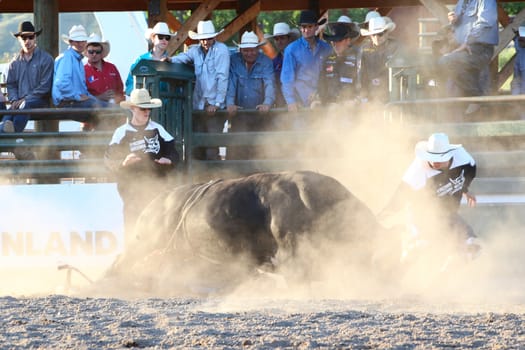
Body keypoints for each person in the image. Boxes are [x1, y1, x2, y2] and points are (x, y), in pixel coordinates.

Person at [381, 133, 480, 258]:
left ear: (449, 155)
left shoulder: (464, 160)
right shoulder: (416, 172)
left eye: (440, 157)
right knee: (422, 248)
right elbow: (400, 196)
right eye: (432, 157)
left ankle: (446, 273)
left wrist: (464, 189)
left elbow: (469, 173)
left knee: (471, 244)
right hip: (422, 215)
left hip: (448, 213)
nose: (435, 161)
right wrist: (384, 215)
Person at [104, 88, 179, 242]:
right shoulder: (121, 132)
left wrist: (169, 160)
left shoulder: (158, 129)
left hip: (158, 186)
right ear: (133, 109)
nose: (147, 112)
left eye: (148, 109)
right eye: (142, 108)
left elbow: (174, 153)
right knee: (133, 224)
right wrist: (123, 162)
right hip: (131, 188)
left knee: (158, 224)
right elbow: (109, 160)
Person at [169, 20, 230, 160]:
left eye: (209, 38)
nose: (206, 41)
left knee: (211, 147)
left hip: (214, 106)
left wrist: (217, 103)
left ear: (214, 37)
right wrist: (170, 60)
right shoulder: (195, 51)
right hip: (199, 105)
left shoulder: (221, 50)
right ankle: (200, 179)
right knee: (196, 146)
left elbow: (223, 77)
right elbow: (183, 58)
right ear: (199, 39)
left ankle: (213, 178)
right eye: (203, 38)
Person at [437, 0, 498, 115]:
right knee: (447, 64)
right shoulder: (462, 2)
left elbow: (485, 22)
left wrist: (467, 42)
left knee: (446, 61)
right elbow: (457, 26)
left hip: (479, 48)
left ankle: (477, 99)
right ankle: (478, 100)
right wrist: (453, 21)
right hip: (465, 49)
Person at [226, 31, 275, 159]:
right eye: (245, 50)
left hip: (260, 116)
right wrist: (230, 103)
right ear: (240, 50)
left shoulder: (266, 62)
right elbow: (231, 82)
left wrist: (267, 103)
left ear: (258, 49)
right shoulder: (234, 60)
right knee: (236, 150)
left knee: (259, 151)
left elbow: (269, 84)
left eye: (252, 50)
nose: (249, 53)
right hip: (239, 115)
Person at [1, 21, 53, 134]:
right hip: (19, 103)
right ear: (19, 39)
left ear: (35, 38)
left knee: (24, 106)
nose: (27, 40)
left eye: (30, 37)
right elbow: (11, 85)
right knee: (8, 113)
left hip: (40, 102)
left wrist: (25, 99)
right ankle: (13, 141)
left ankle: (13, 138)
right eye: (24, 37)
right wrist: (14, 99)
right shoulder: (14, 62)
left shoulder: (46, 59)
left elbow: (45, 87)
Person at [280, 10, 331, 112]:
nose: (306, 30)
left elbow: (332, 75)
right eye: (303, 27)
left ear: (316, 27)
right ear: (300, 28)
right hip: (300, 103)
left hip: (323, 101)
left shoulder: (327, 49)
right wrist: (291, 101)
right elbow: (287, 79)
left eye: (309, 27)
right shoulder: (291, 50)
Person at [53, 25, 109, 109]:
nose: (81, 43)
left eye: (83, 41)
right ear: (71, 42)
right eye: (77, 41)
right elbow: (61, 83)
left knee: (110, 107)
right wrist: (78, 97)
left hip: (71, 101)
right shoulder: (67, 58)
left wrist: (89, 98)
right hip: (67, 102)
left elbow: (81, 90)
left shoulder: (76, 59)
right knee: (110, 109)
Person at [316, 21, 362, 107]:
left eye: (338, 40)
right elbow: (321, 84)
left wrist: (356, 100)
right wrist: (320, 100)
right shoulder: (327, 59)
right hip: (332, 109)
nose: (334, 43)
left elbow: (365, 83)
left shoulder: (359, 57)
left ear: (348, 40)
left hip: (353, 110)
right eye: (332, 40)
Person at [124, 22, 173, 96]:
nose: (164, 40)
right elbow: (129, 85)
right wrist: (138, 94)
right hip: (144, 104)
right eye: (160, 37)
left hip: (165, 105)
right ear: (153, 38)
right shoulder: (141, 59)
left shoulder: (172, 62)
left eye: (167, 38)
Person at [360, 16, 399, 104]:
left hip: (393, 95)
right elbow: (362, 75)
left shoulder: (397, 48)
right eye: (373, 34)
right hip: (371, 96)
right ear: (370, 35)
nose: (376, 37)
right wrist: (364, 97)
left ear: (387, 33)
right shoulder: (364, 50)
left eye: (380, 34)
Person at [264, 22, 299, 107]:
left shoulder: (300, 58)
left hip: (299, 104)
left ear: (289, 39)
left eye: (282, 38)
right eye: (276, 39)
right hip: (281, 106)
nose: (279, 41)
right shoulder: (274, 62)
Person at [84, 33, 124, 106]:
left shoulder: (112, 67)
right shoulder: (82, 71)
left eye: (97, 52)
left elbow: (120, 88)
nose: (94, 54)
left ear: (102, 53)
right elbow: (82, 95)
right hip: (94, 111)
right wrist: (99, 97)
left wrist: (117, 98)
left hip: (115, 108)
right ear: (86, 53)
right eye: (91, 52)